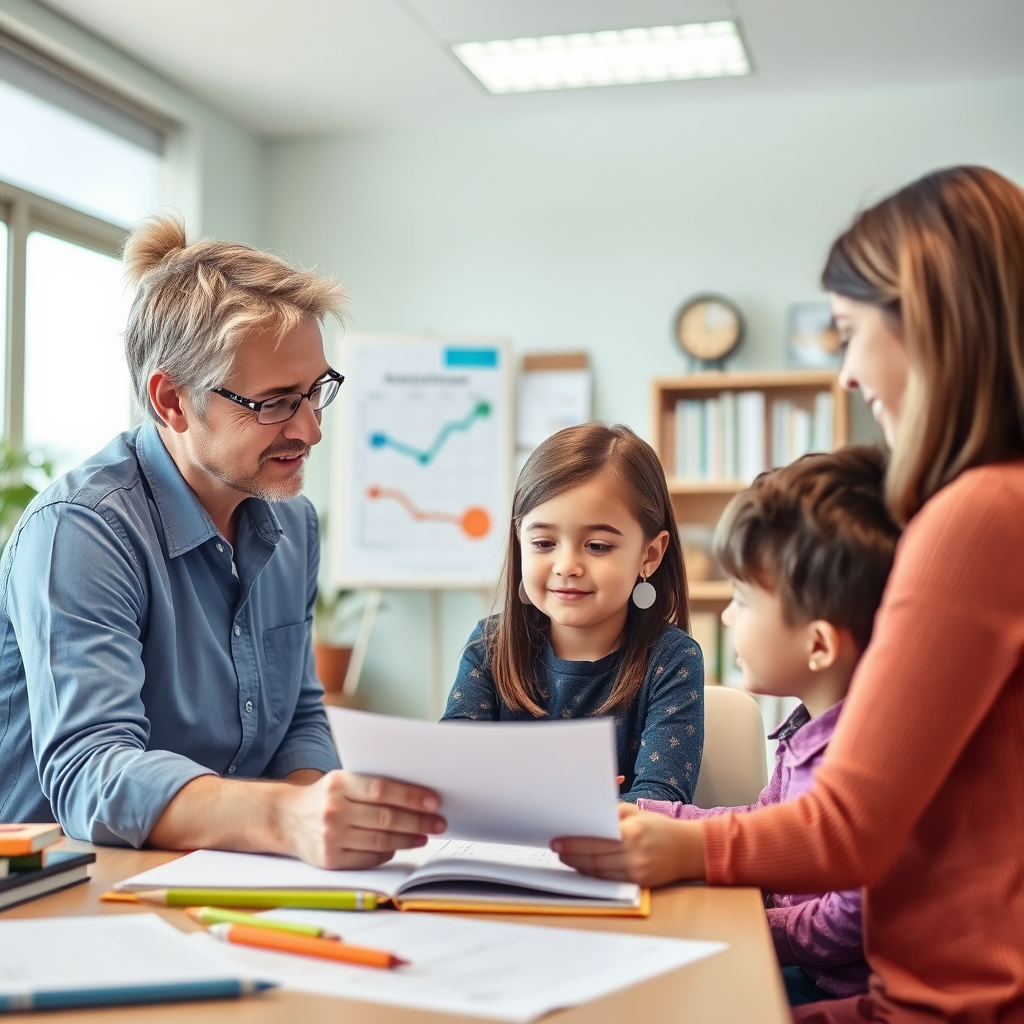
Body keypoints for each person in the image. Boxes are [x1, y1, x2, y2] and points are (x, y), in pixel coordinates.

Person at [554, 166, 1024, 1022]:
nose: (846, 374)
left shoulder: (979, 515)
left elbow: (849, 826)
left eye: (851, 333)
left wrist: (681, 844)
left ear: (931, 324)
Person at [0, 215, 445, 866]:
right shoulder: (82, 530)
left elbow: (298, 716)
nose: (311, 431)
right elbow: (91, 774)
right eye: (274, 403)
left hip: (221, 876)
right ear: (172, 401)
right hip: (67, 896)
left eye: (316, 391)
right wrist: (286, 819)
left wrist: (316, 826)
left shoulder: (292, 524)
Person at [639, 446, 900, 1007]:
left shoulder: (864, 758)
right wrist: (653, 815)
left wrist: (753, 927)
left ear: (818, 644)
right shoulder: (806, 731)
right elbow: (767, 823)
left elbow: (847, 921)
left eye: (741, 599)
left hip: (830, 986)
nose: (728, 616)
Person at [443, 422, 704, 804]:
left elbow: (659, 804)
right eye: (543, 542)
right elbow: (453, 773)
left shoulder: (673, 660)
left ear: (649, 554)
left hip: (605, 863)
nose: (567, 565)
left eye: (597, 546)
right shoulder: (489, 647)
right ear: (520, 544)